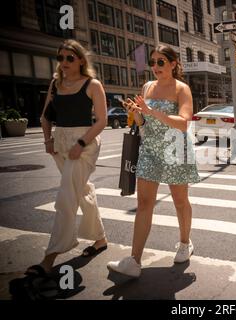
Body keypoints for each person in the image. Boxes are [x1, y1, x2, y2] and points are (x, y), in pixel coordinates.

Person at [107, 45, 200, 277]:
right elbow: (142, 122)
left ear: (173, 63)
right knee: (144, 204)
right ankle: (134, 261)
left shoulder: (182, 89)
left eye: (161, 62)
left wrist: (150, 111)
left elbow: (183, 122)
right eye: (153, 62)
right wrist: (136, 112)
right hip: (149, 149)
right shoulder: (148, 86)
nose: (155, 67)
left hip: (174, 148)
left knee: (180, 200)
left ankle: (185, 243)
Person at [25, 40, 108, 277]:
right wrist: (48, 140)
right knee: (80, 190)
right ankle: (100, 239)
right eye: (60, 58)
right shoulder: (56, 83)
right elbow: (45, 117)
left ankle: (49, 257)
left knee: (66, 197)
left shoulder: (93, 85)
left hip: (84, 143)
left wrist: (81, 144)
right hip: (61, 142)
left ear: (81, 60)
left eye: (69, 58)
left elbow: (101, 121)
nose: (64, 62)